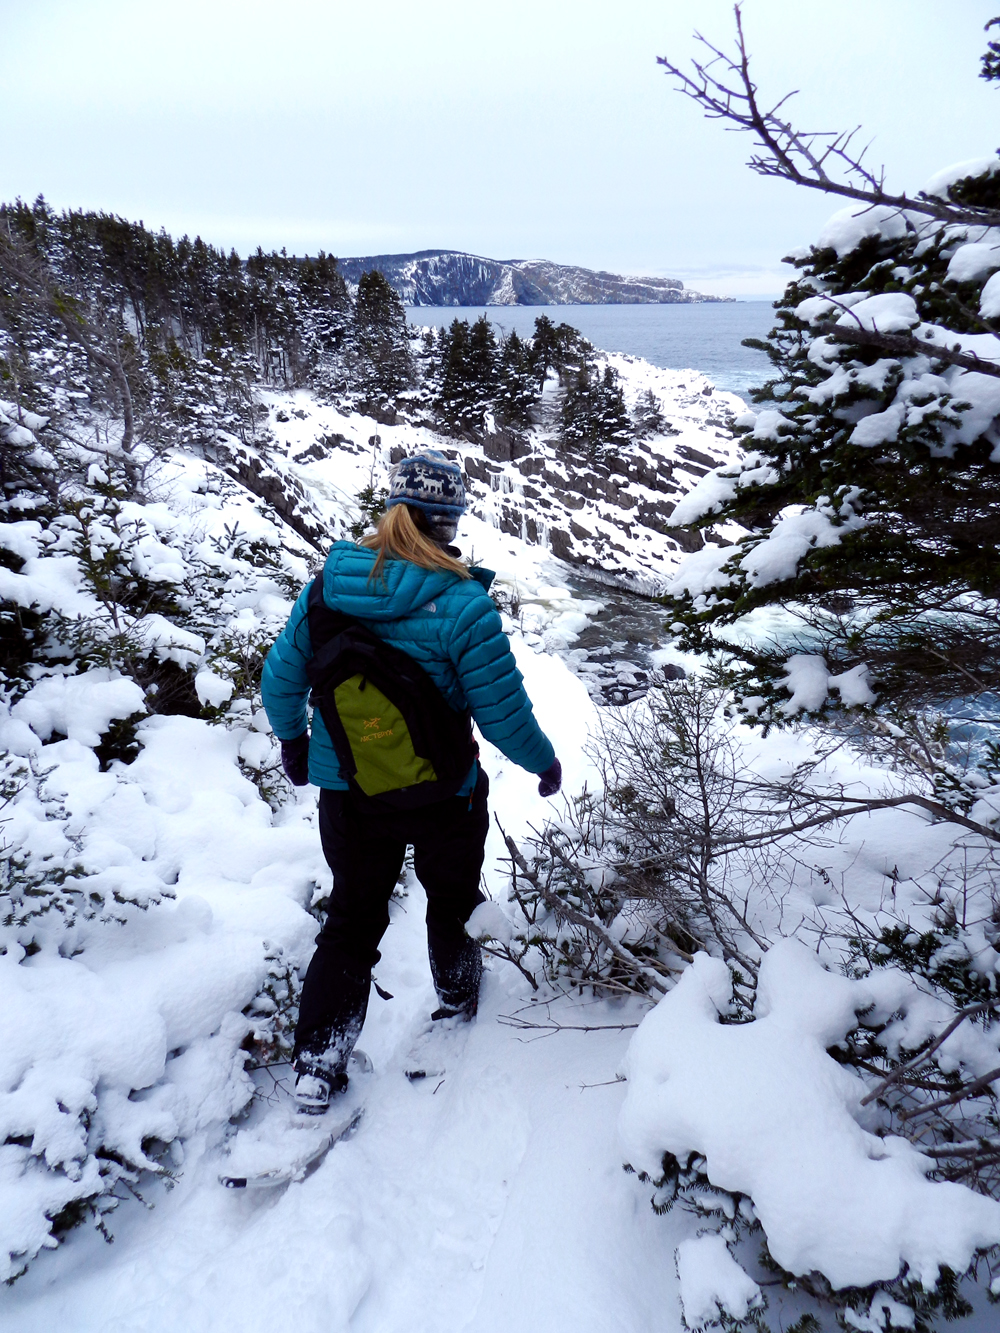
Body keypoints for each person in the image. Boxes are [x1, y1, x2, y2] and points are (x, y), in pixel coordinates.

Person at [261, 449, 562, 1112]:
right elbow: (502, 710)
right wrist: (542, 762)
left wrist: (295, 742)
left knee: (350, 922)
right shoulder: (461, 603)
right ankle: (456, 998)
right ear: (449, 520)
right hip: (443, 796)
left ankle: (317, 1066)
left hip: (350, 795)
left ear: (391, 510)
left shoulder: (326, 590)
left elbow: (279, 680)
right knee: (450, 900)